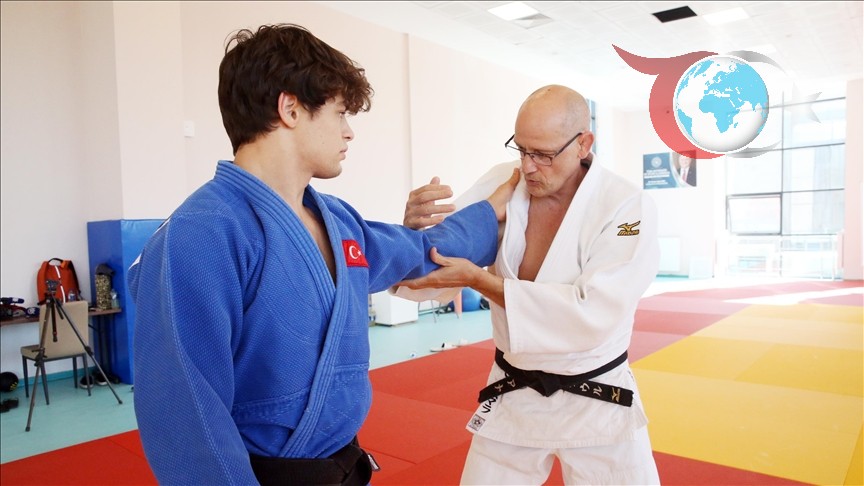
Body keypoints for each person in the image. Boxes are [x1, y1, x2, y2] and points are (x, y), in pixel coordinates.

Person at [127, 24, 518, 486]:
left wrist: (491, 211)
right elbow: (186, 411)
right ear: (290, 109)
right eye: (340, 113)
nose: (349, 132)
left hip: (342, 465)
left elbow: (418, 252)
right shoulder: (201, 234)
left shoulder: (338, 221)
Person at [400, 85, 661, 485]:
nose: (528, 167)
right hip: (514, 390)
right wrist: (412, 236)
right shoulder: (503, 183)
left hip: (598, 395)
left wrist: (480, 281)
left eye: (543, 154)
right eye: (521, 149)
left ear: (583, 144)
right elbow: (439, 258)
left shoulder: (624, 204)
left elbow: (592, 313)